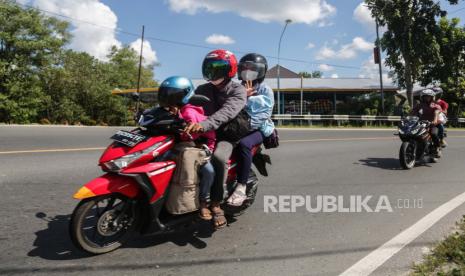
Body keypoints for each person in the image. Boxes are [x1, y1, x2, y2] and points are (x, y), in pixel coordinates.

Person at [184, 49, 247, 229]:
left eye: (218, 67)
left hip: (226, 134)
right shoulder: (203, 89)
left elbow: (226, 113)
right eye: (209, 67)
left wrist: (204, 125)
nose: (212, 71)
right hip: (204, 133)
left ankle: (216, 204)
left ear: (230, 69)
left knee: (218, 159)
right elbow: (189, 105)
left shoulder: (238, 89)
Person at [158, 76, 216, 220]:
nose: (169, 98)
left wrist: (185, 126)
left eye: (173, 95)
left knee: (208, 171)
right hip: (184, 146)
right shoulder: (171, 109)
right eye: (166, 94)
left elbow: (188, 133)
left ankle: (203, 201)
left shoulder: (189, 111)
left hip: (203, 146)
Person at [227, 53, 275, 206]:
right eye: (244, 68)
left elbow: (263, 114)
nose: (247, 71)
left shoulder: (264, 89)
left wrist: (243, 129)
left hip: (257, 129)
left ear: (261, 71)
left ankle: (241, 187)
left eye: (252, 68)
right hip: (236, 126)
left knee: (244, 144)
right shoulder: (236, 86)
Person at [411, 89, 443, 157]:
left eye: (428, 96)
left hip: (433, 123)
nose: (427, 98)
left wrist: (434, 120)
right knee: (413, 132)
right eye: (425, 96)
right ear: (422, 97)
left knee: (433, 133)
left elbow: (436, 112)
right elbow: (414, 111)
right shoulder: (420, 104)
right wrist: (409, 117)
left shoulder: (435, 105)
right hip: (421, 123)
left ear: (432, 97)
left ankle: (437, 147)